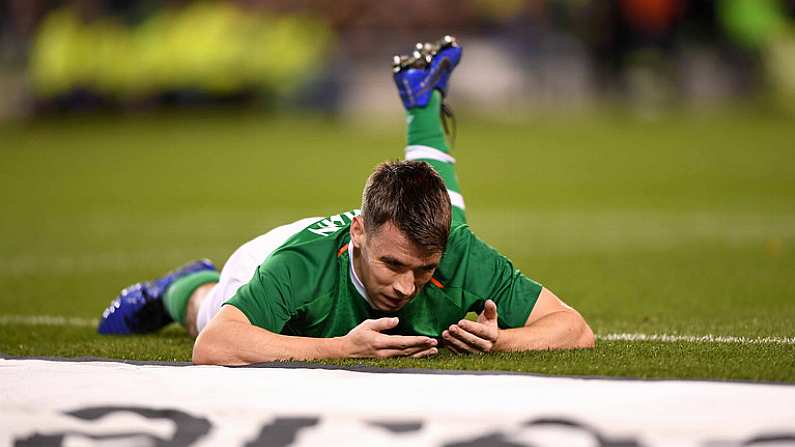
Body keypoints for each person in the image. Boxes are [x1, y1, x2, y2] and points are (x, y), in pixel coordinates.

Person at [97, 36, 594, 365]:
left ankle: (423, 105)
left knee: (448, 223)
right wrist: (342, 346)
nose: (405, 286)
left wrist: (504, 339)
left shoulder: (454, 252)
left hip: (403, 233)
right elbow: (214, 345)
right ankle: (182, 287)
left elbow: (575, 329)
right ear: (358, 232)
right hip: (260, 259)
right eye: (393, 265)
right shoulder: (300, 265)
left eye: (423, 271)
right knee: (205, 312)